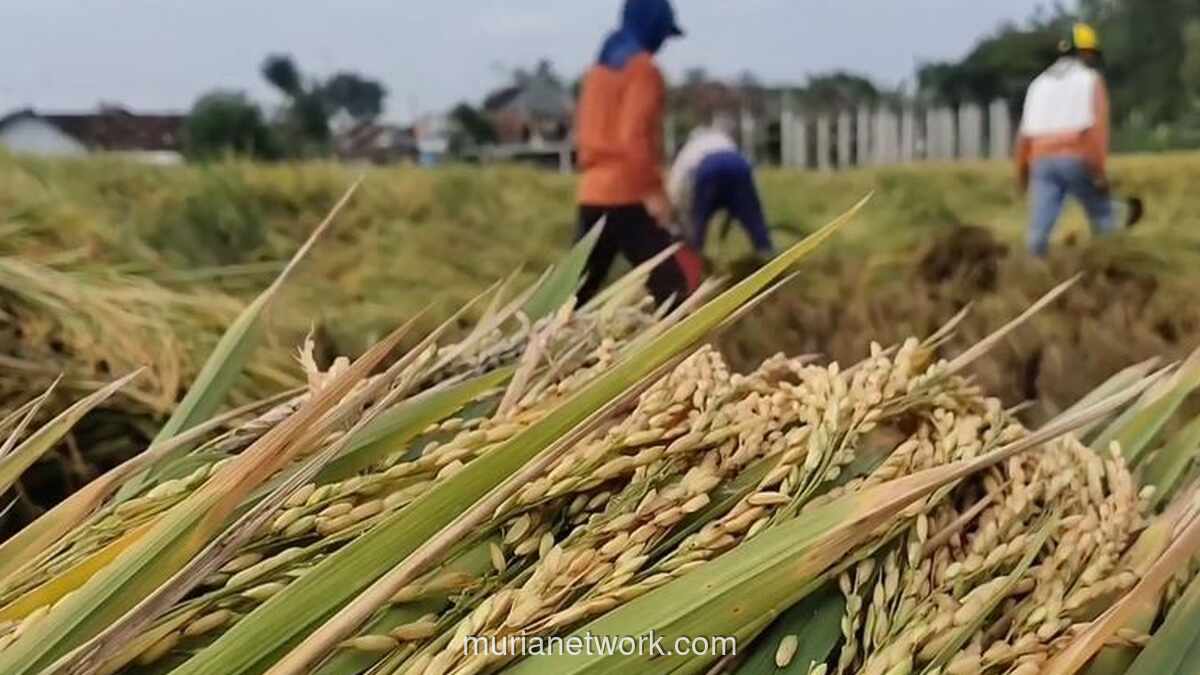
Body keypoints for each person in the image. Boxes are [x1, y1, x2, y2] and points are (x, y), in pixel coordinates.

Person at [574, 0, 703, 307]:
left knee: (575, 292)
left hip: (592, 193)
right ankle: (681, 355)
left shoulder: (597, 71)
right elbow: (635, 138)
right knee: (673, 288)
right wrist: (654, 193)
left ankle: (538, 350)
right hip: (626, 195)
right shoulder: (643, 70)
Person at [1016, 23, 1113, 257]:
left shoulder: (1038, 83)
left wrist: (1021, 174)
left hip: (1041, 161)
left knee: (1039, 230)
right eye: (1091, 53)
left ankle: (1032, 272)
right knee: (1103, 216)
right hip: (1076, 156)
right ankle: (1111, 262)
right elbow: (1096, 131)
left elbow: (1024, 136)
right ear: (1084, 52)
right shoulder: (1090, 80)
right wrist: (1099, 173)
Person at [667, 115, 777, 262]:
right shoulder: (724, 139)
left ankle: (693, 265)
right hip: (737, 165)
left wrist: (675, 216)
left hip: (708, 169)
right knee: (753, 219)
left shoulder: (690, 149)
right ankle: (769, 258)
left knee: (697, 225)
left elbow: (677, 181)